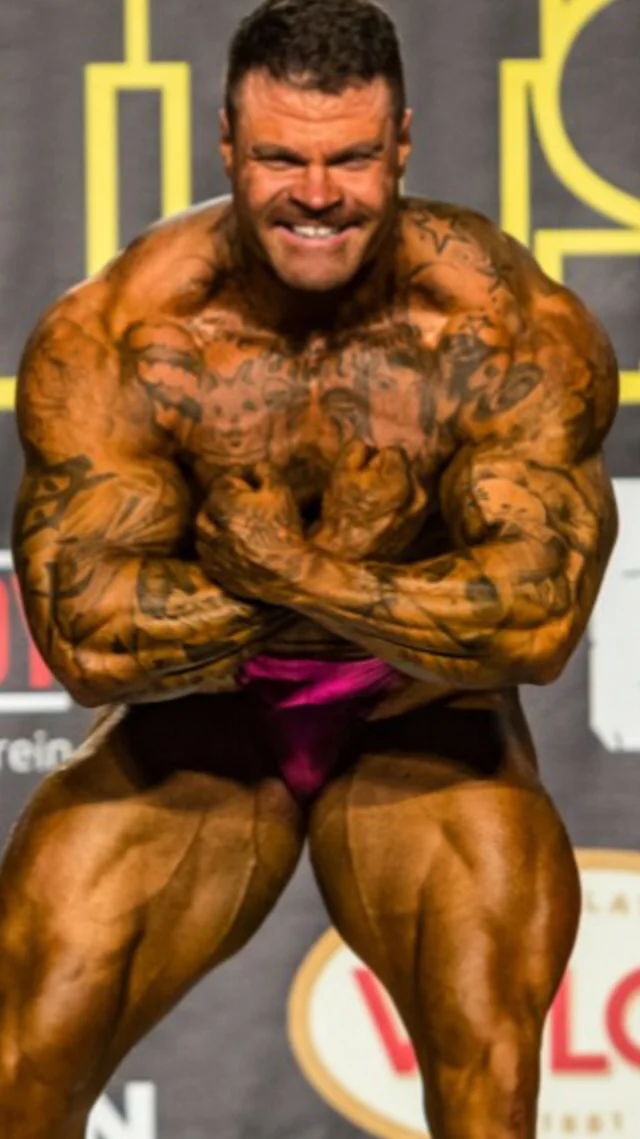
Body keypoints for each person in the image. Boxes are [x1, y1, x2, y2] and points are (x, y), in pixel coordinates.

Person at [0, 0, 618, 1135]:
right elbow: (87, 639)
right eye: (282, 157)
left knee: (488, 1048)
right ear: (228, 145)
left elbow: (535, 625)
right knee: (25, 1044)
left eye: (351, 159)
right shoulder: (129, 330)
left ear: (403, 144)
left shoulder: (497, 324)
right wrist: (351, 567)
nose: (318, 194)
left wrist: (296, 565)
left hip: (423, 716)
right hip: (202, 722)